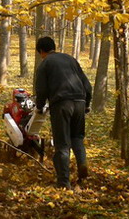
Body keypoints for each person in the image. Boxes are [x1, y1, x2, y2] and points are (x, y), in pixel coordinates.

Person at [35, 36, 92, 189]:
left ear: (41, 51)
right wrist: (87, 104)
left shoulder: (44, 64)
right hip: (80, 102)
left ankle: (63, 182)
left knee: (62, 144)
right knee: (77, 137)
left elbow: (41, 90)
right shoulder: (71, 59)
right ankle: (82, 164)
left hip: (61, 104)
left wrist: (39, 107)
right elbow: (87, 85)